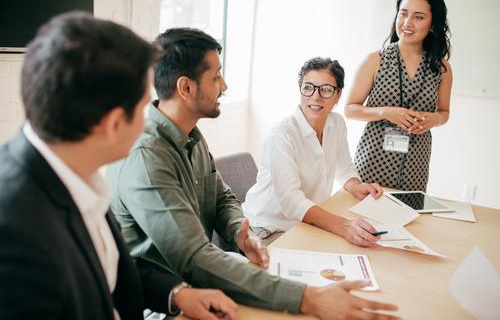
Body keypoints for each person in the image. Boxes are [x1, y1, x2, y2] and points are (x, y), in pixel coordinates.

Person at [106, 27, 400, 320]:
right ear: (186, 88)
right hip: (163, 303)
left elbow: (222, 199)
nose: (225, 85)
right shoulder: (147, 155)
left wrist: (239, 233)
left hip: (203, 279)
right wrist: (307, 298)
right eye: (216, 76)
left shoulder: (192, 137)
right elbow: (194, 258)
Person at [0, 11, 239, 320]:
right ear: (114, 123)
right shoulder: (15, 231)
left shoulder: (73, 175)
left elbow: (107, 272)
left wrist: (178, 294)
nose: (147, 122)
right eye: (142, 109)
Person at [243, 57, 384, 247]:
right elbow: (291, 201)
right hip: (268, 229)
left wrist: (355, 186)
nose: (315, 97)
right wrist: (342, 225)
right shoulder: (282, 135)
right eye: (308, 87)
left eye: (325, 89)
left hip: (304, 223)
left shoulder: (337, 123)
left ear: (338, 95)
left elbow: (344, 167)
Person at [344, 0, 452, 192]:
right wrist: (386, 112)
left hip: (415, 166)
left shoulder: (442, 67)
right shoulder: (375, 60)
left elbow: (444, 113)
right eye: (403, 14)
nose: (407, 22)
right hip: (373, 163)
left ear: (432, 24)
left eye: (418, 17)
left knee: (408, 221)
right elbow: (350, 109)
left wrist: (434, 119)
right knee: (365, 221)